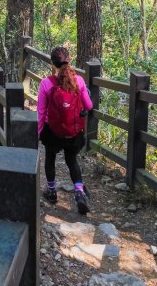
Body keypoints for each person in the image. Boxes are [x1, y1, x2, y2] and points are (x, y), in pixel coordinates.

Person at [37, 46, 93, 214]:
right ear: (69, 60)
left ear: (52, 62)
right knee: (72, 161)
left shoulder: (46, 83)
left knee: (50, 158)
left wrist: (40, 132)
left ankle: (52, 191)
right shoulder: (79, 81)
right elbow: (89, 105)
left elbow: (41, 111)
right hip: (73, 132)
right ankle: (79, 193)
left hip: (52, 131)